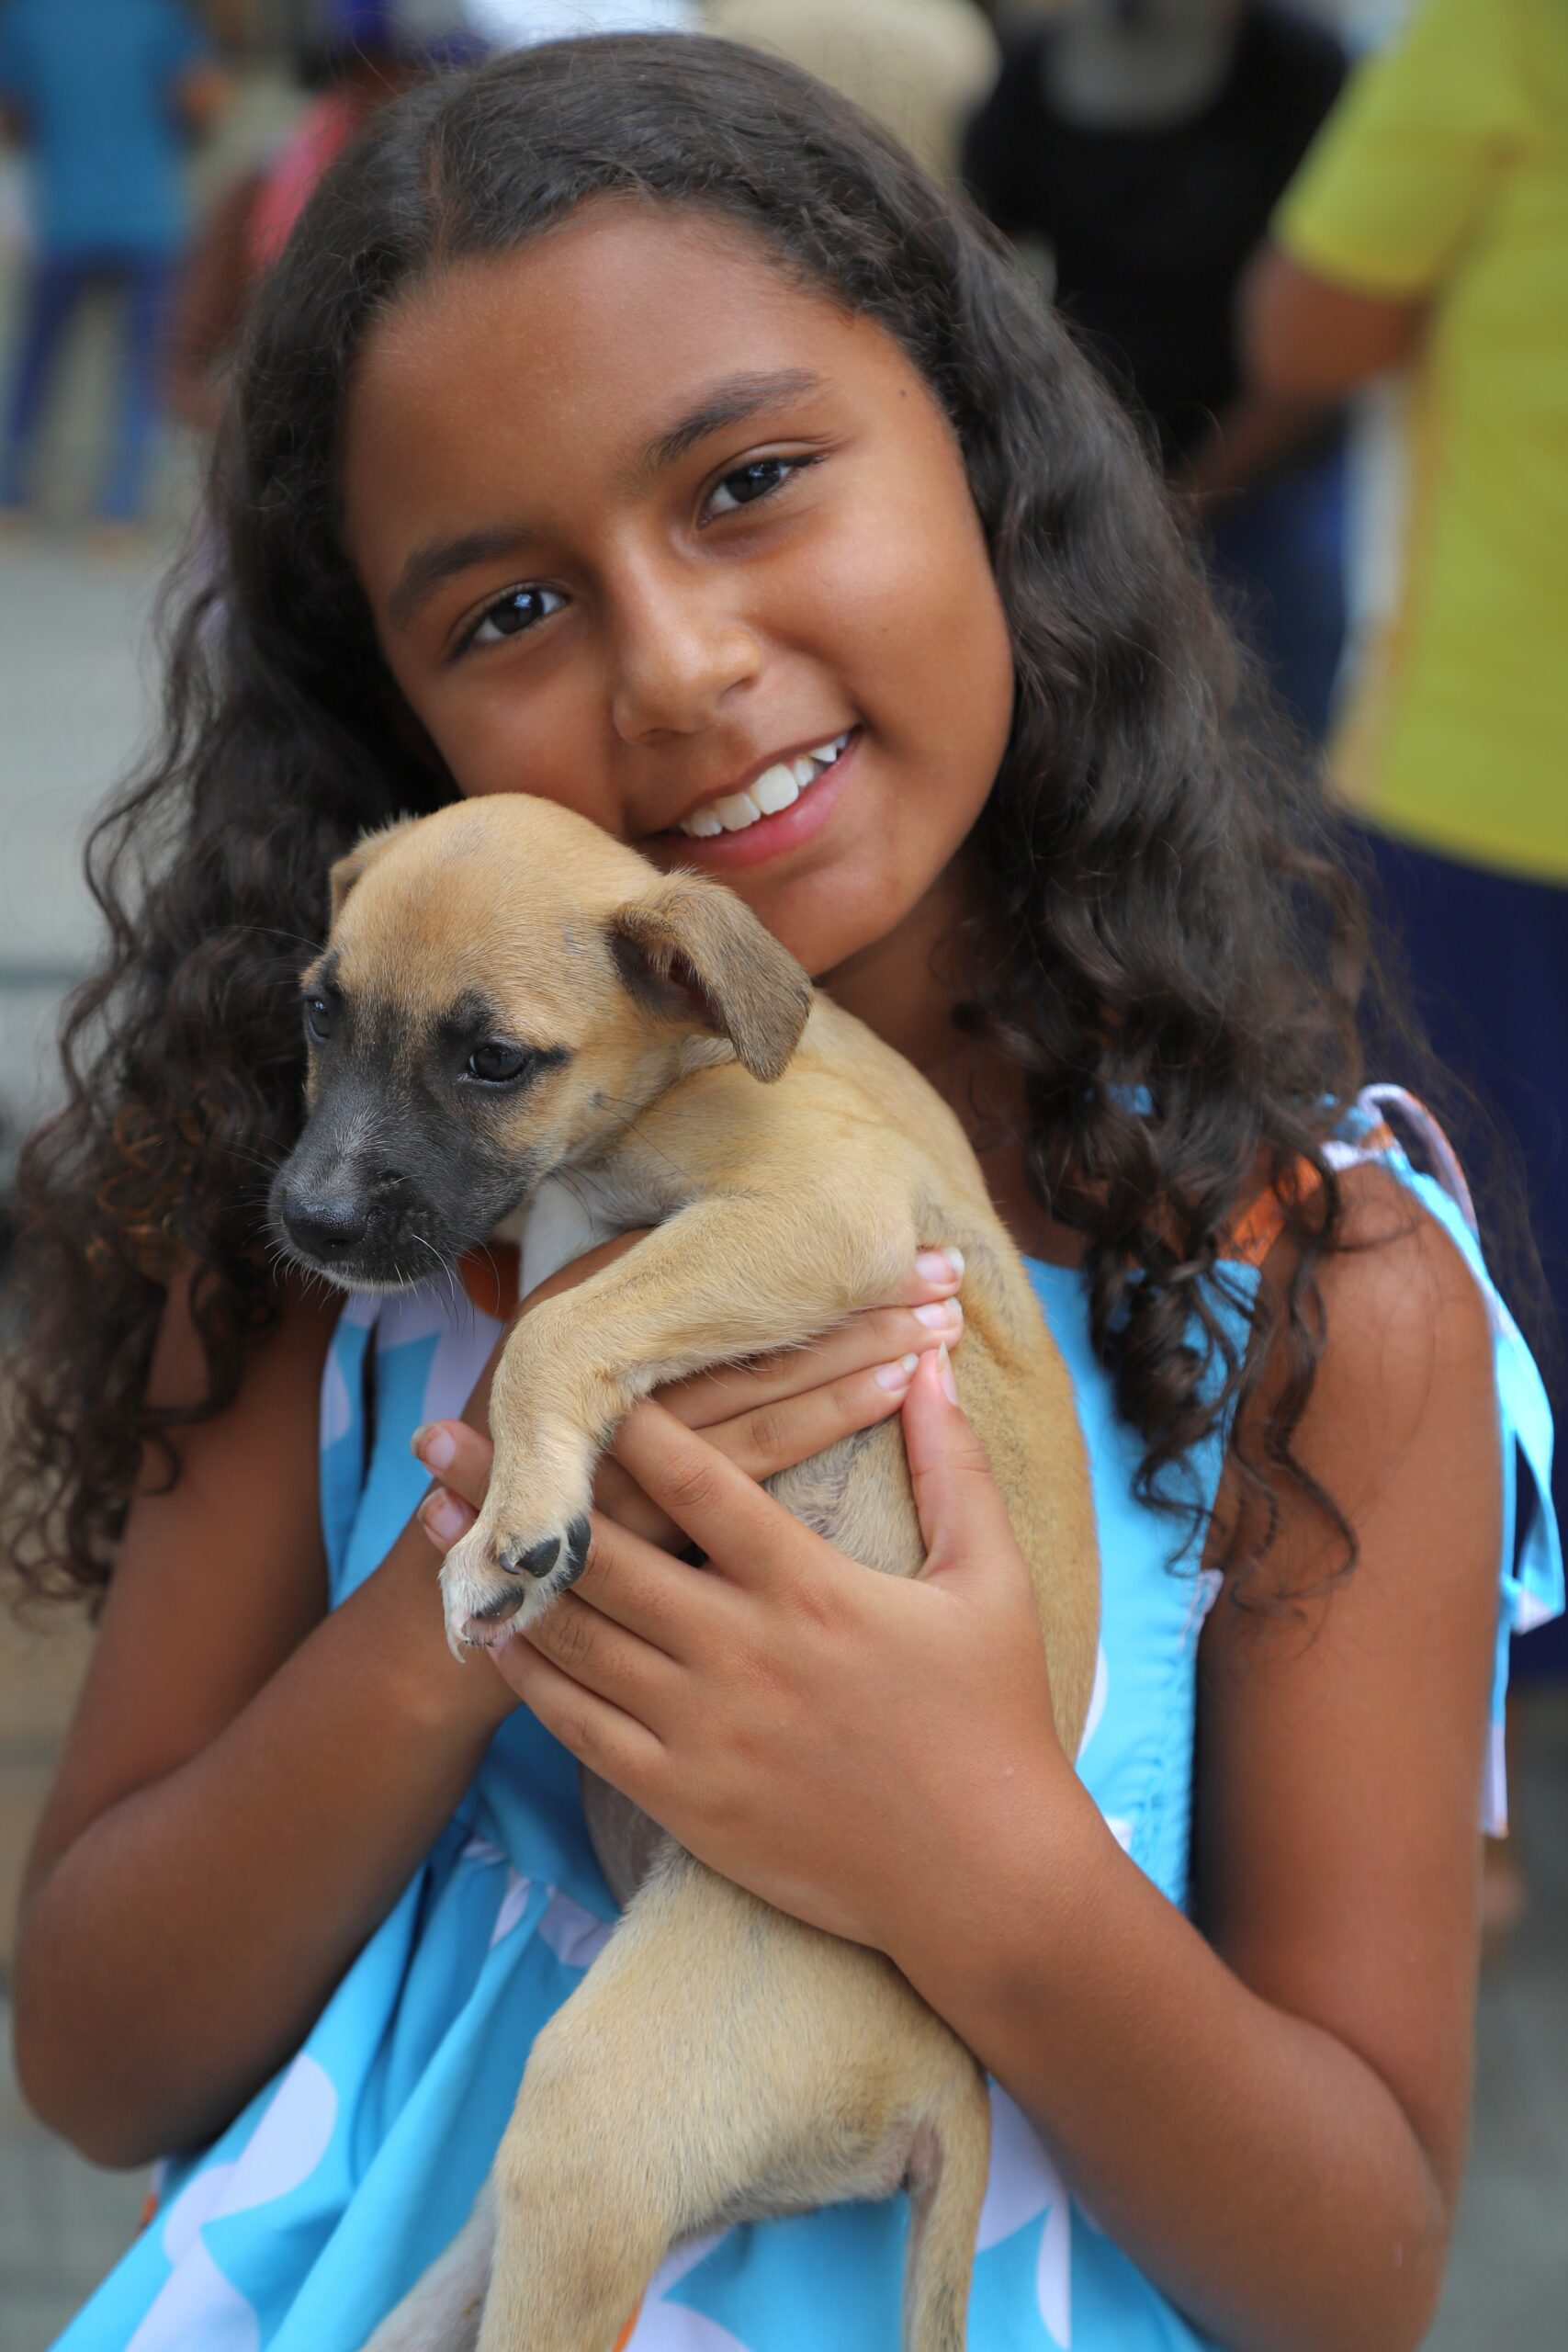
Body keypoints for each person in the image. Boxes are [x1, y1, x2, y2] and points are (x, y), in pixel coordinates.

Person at [6, 34, 1560, 2352]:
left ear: (981, 449)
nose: (679, 665)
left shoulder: (1315, 1303)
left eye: (745, 479)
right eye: (502, 613)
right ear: (397, 711)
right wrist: (486, 1574)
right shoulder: (351, 1254)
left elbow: (1349, 2269)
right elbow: (101, 2049)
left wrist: (970, 1842)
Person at [1240, 0, 1568, 1945]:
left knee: (1468, 1281)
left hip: (1492, 769)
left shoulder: (1509, 31)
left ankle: (1458, 1798)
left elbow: (1307, 329)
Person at [963, 0, 1349, 741]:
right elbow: (974, 261)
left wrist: (1185, 500)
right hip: (1102, 466)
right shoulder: (1039, 69)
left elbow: (1318, 349)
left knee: (1269, 732)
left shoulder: (1299, 72)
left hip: (1265, 476)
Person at [0, 0, 228, 529]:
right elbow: (205, 95)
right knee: (142, 368)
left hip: (63, 215)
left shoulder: (28, 17)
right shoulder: (153, 16)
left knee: (38, 360)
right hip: (146, 215)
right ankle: (120, 509)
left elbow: (10, 112)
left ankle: (11, 495)